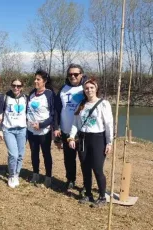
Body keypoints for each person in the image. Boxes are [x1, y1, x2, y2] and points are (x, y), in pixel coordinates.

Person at [68, 77, 113, 207]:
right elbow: (75, 124)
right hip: (83, 139)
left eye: (92, 87)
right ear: (84, 90)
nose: (89, 90)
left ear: (96, 89)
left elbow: (109, 124)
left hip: (98, 138)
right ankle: (88, 194)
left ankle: (102, 197)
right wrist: (71, 137)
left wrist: (109, 142)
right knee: (85, 168)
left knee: (97, 168)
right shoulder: (81, 105)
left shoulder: (103, 104)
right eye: (87, 88)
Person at [54, 64, 87, 190]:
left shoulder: (86, 89)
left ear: (81, 75)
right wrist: (56, 128)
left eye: (76, 74)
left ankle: (86, 184)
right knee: (69, 159)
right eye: (70, 74)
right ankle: (70, 180)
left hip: (82, 132)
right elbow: (57, 110)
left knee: (84, 160)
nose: (72, 76)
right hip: (66, 131)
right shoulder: (63, 89)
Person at [26, 70, 55, 188]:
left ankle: (48, 177)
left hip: (44, 131)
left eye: (38, 79)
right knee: (34, 153)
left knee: (46, 153)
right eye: (35, 79)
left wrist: (42, 125)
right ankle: (35, 174)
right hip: (31, 130)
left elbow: (53, 114)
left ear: (45, 81)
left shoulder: (49, 94)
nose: (35, 81)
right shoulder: (32, 93)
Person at [0, 79, 27, 188]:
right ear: (11, 86)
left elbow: (28, 113)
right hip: (8, 130)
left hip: (22, 130)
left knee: (20, 155)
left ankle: (16, 174)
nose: (16, 88)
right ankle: (11, 174)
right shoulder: (5, 97)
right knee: (13, 154)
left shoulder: (25, 98)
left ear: (22, 87)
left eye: (18, 86)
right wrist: (0, 129)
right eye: (14, 85)